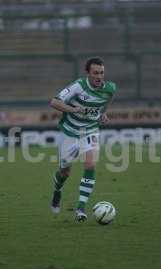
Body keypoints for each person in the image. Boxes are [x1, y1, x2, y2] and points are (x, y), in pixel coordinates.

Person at [49, 57, 116, 221]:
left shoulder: (110, 88)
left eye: (101, 73)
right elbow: (54, 102)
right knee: (65, 172)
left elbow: (106, 102)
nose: (99, 76)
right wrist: (72, 109)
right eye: (95, 73)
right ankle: (57, 191)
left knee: (90, 164)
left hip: (91, 131)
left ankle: (80, 208)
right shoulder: (78, 86)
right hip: (69, 132)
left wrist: (103, 113)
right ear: (88, 73)